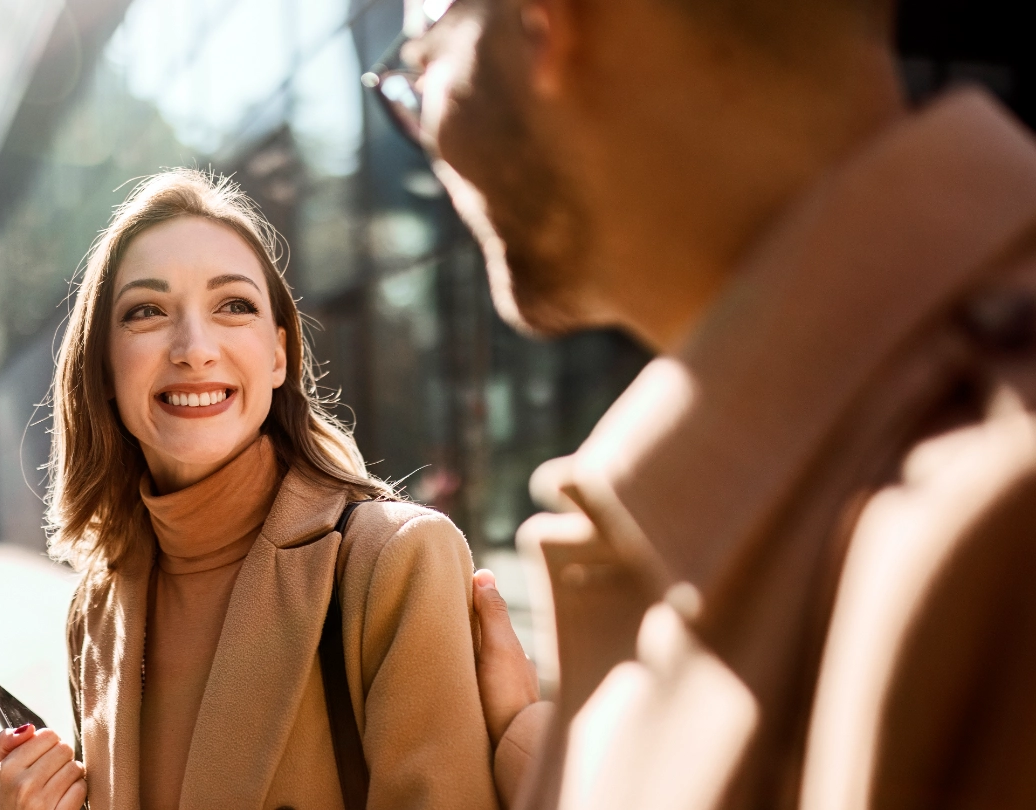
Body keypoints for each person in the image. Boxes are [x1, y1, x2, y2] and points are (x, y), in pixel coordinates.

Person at [370, 0, 1036, 807]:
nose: (428, 134)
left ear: (548, 22)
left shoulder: (991, 532)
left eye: (421, 63)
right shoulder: (765, 499)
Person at [0, 169, 505, 810]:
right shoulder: (95, 611)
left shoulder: (395, 562)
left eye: (233, 306)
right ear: (103, 366)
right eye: (147, 312)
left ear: (279, 355)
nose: (195, 348)